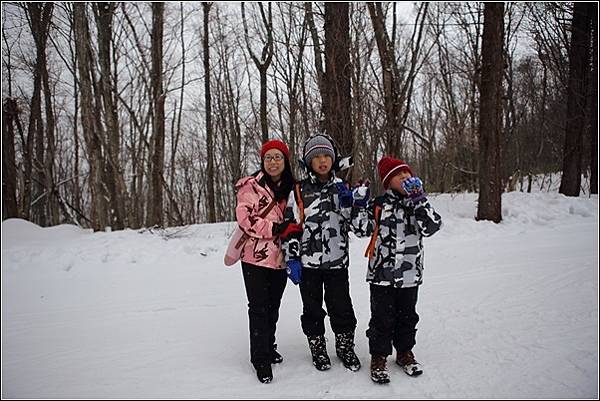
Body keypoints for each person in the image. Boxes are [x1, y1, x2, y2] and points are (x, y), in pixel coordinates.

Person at [352, 156, 442, 384]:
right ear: (387, 181)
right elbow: (360, 229)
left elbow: (432, 226)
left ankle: (404, 352)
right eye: (398, 175)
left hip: (410, 275)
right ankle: (379, 356)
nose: (404, 177)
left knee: (407, 316)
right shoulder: (379, 205)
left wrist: (419, 200)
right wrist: (359, 204)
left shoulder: (418, 204)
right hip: (381, 275)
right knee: (381, 318)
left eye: (407, 173)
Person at [281, 133, 363, 372]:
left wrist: (354, 204)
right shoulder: (299, 190)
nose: (322, 160)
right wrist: (292, 257)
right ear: (308, 162)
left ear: (334, 159)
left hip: (337, 262)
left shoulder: (342, 188)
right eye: (316, 157)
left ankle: (345, 346)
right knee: (312, 308)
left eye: (327, 155)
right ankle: (317, 347)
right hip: (309, 265)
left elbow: (359, 228)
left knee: (342, 306)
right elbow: (290, 227)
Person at [235, 139, 300, 384]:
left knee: (273, 306)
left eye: (278, 157)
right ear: (262, 161)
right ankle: (260, 358)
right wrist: (276, 227)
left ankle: (268, 345)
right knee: (259, 307)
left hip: (280, 259)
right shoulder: (250, 186)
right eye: (268, 158)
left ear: (285, 161)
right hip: (254, 257)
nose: (273, 162)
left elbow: (298, 219)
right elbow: (245, 219)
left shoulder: (293, 188)